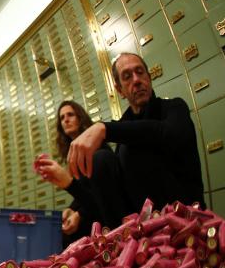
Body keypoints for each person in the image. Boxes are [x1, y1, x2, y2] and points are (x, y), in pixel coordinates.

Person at [66, 52, 205, 212]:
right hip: (144, 225)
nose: (137, 80)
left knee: (134, 147)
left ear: (149, 78)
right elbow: (111, 195)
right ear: (120, 90)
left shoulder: (174, 107)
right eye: (127, 76)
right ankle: (124, 236)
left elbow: (169, 134)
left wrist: (104, 128)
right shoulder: (123, 137)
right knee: (100, 160)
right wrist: (75, 205)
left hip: (185, 217)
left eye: (140, 72)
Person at [33, 100, 128, 240]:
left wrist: (79, 212)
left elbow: (101, 200)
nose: (66, 119)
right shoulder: (73, 154)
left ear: (80, 118)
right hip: (93, 212)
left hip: (112, 223)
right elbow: (85, 191)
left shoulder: (98, 152)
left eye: (70, 114)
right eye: (62, 117)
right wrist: (72, 209)